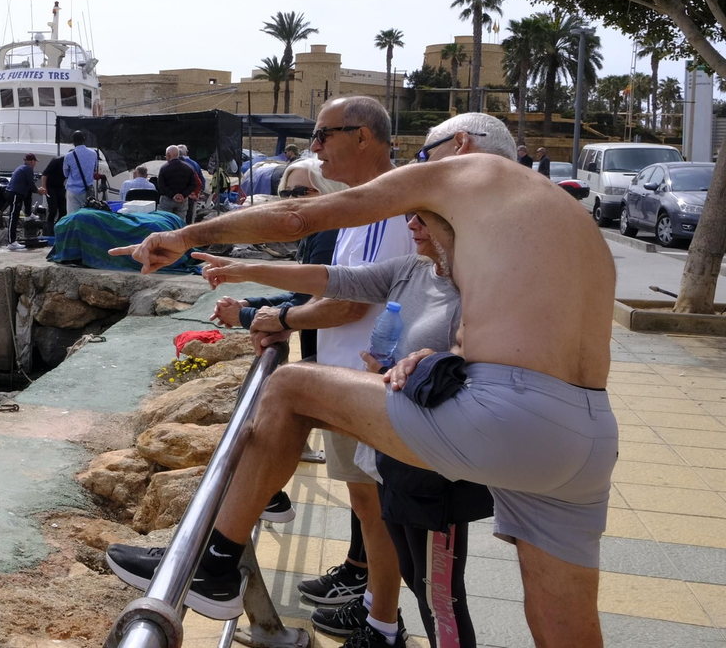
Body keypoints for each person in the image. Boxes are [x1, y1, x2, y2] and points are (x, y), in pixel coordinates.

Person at [107, 109, 615, 648]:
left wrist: (183, 236)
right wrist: (444, 355)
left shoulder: (474, 173)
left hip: (506, 415)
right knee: (568, 628)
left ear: (462, 144)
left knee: (289, 387)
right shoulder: (568, 219)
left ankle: (217, 563)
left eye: (427, 157)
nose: (419, 171)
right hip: (588, 435)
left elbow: (298, 219)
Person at [194, 209, 490, 648]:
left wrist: (430, 360)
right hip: (395, 449)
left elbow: (482, 365)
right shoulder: (411, 269)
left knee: (439, 595)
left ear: (456, 221)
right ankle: (379, 625)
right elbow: (331, 279)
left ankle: (219, 556)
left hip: (433, 460)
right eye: (411, 216)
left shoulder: (480, 288)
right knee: (414, 574)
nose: (411, 225)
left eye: (424, 218)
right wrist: (241, 269)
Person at [234, 98, 418, 644]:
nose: (314, 149)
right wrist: (269, 306)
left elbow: (351, 303)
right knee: (367, 504)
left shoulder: (386, 206)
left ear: (363, 137)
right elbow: (334, 284)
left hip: (365, 380)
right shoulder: (362, 206)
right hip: (352, 375)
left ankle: (381, 622)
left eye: (323, 135)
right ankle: (372, 605)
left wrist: (279, 317)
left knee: (376, 508)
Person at [213, 158, 342, 364]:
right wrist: (249, 304)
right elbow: (303, 292)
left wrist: (243, 315)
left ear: (329, 191)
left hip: (333, 353)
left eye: (301, 192)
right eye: (285, 193)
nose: (291, 199)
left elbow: (309, 301)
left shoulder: (329, 234)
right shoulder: (317, 232)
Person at [61, 131, 103, 214]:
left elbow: (66, 174)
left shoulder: (69, 156)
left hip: (72, 190)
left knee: (72, 216)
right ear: (84, 140)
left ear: (73, 141)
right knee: (86, 215)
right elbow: (94, 169)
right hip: (87, 191)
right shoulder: (93, 153)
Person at [156, 146, 199, 221]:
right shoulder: (189, 167)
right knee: (180, 222)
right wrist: (183, 195)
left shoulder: (164, 168)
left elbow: (161, 186)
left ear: (168, 155)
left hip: (167, 200)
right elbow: (193, 184)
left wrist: (173, 196)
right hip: (182, 201)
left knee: (166, 221)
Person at [6, 153, 40, 241]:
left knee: (27, 193)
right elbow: (31, 184)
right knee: (14, 217)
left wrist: (36, 190)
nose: (35, 164)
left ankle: (28, 213)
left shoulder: (22, 167)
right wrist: (38, 191)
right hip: (15, 194)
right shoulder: (29, 169)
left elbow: (29, 188)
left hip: (14, 193)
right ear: (32, 161)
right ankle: (11, 241)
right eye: (35, 162)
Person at [39, 154, 67, 235]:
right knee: (53, 209)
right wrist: (44, 187)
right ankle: (50, 230)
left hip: (60, 186)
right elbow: (44, 174)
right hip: (50, 186)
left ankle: (58, 227)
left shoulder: (71, 163)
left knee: (63, 210)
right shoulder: (57, 160)